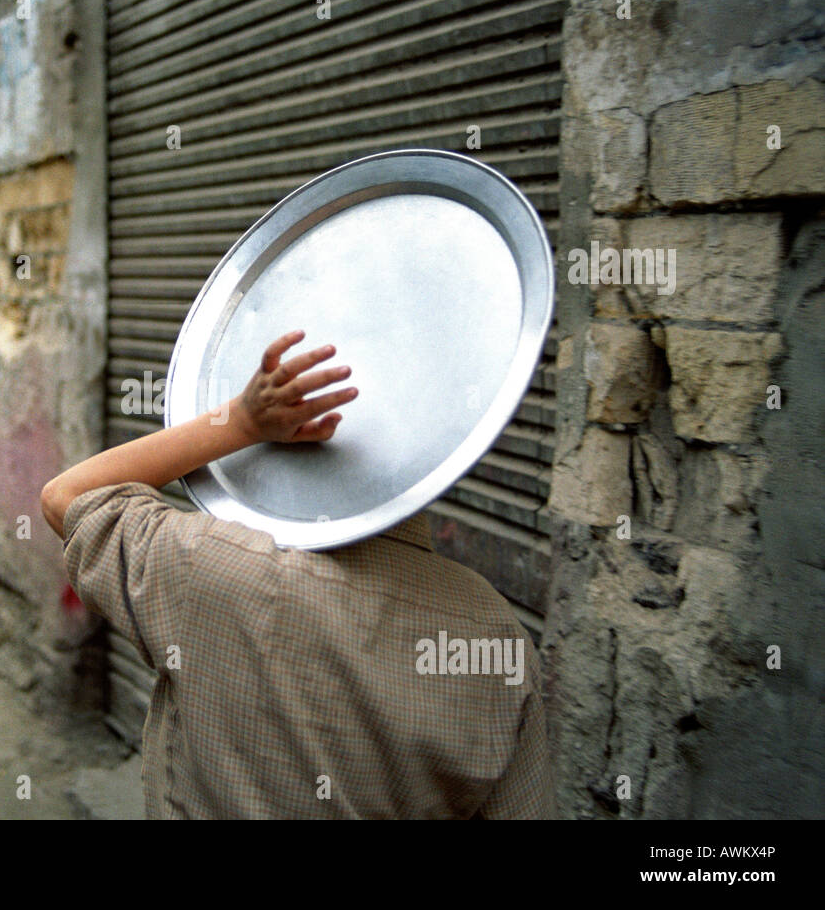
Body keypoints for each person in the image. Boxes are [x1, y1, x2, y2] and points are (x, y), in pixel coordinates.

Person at [41, 330, 555, 819]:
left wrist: (241, 422)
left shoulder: (206, 566)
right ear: (435, 459)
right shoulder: (495, 635)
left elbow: (67, 497)